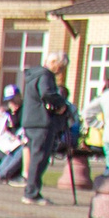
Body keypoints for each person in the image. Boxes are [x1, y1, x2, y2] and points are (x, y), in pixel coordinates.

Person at [20, 49, 67, 204]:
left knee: (35, 156)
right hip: (42, 122)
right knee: (39, 158)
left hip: (30, 120)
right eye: (60, 68)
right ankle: (31, 193)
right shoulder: (46, 75)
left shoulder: (33, 75)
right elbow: (46, 93)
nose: (60, 72)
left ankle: (31, 190)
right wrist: (61, 104)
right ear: (53, 63)